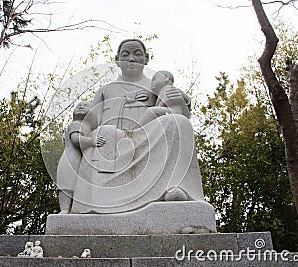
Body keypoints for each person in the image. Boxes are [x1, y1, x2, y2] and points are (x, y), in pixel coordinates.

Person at [58, 39, 205, 214]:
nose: (131, 59)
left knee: (179, 123)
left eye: (137, 54)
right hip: (111, 138)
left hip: (147, 137)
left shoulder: (154, 86)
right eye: (125, 54)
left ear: (146, 59)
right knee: (105, 133)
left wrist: (183, 98)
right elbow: (90, 118)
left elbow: (174, 107)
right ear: (117, 60)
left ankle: (175, 187)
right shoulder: (107, 89)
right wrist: (79, 130)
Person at [56, 101, 104, 214]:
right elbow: (76, 140)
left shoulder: (86, 126)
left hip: (79, 160)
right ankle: (64, 209)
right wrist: (92, 141)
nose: (81, 107)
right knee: (66, 184)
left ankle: (70, 208)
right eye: (78, 106)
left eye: (86, 106)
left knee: (75, 185)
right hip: (70, 159)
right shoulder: (77, 124)